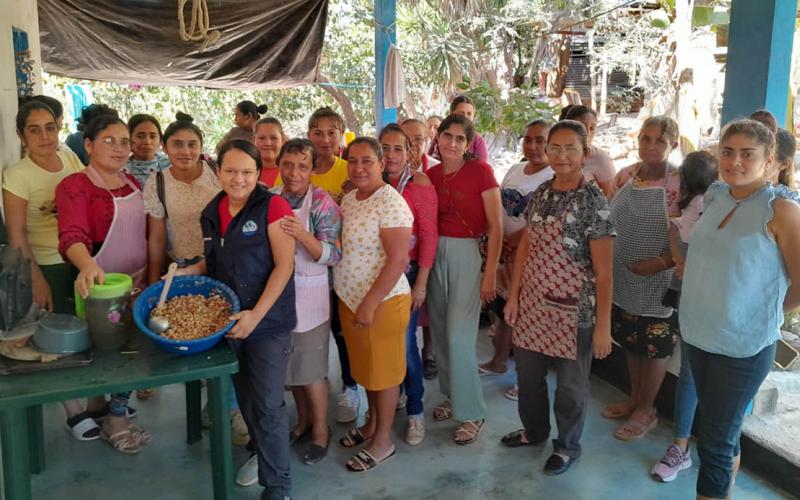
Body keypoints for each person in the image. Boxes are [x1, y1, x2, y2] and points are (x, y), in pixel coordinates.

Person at [680, 119, 800, 499]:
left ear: (769, 161)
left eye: (748, 154)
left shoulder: (781, 210)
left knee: (713, 441)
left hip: (743, 347)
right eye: (728, 152)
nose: (735, 161)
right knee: (723, 433)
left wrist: (761, 312)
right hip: (699, 334)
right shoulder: (717, 194)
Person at [179, 139, 297, 499]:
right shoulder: (212, 211)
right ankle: (261, 456)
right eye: (230, 170)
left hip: (268, 323)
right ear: (218, 171)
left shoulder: (272, 206)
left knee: (267, 405)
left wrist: (255, 316)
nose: (239, 178)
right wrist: (186, 272)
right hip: (230, 318)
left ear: (259, 173)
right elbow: (214, 262)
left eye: (247, 172)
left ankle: (278, 487)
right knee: (247, 401)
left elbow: (284, 266)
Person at [502, 120, 614, 475]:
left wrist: (602, 327)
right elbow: (526, 247)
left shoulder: (594, 202)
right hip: (533, 302)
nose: (561, 156)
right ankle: (534, 431)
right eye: (556, 148)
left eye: (570, 149)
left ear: (585, 153)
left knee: (570, 386)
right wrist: (514, 295)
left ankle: (567, 446)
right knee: (529, 377)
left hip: (574, 309)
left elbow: (605, 273)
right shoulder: (544, 193)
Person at [56, 114, 150, 454]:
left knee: (133, 353)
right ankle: (115, 419)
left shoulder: (132, 184)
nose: (120, 148)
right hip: (100, 288)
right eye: (109, 140)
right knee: (108, 354)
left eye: (125, 141)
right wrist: (86, 265)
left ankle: (107, 409)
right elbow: (72, 235)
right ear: (90, 145)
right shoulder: (75, 186)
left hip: (137, 282)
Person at [2, 100, 96, 440]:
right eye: (34, 129)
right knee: (55, 341)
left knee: (87, 333)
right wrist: (36, 278)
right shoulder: (17, 175)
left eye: (50, 127)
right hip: (46, 265)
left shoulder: (69, 158)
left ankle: (96, 401)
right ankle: (73, 411)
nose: (44, 136)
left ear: (59, 127)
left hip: (80, 259)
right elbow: (17, 236)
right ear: (21, 135)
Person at [334, 137, 413, 471]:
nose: (359, 167)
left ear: (382, 163)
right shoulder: (350, 198)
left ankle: (383, 441)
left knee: (386, 374)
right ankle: (369, 424)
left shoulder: (391, 203)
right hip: (351, 299)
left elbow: (397, 261)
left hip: (381, 302)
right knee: (366, 370)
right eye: (353, 161)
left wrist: (369, 303)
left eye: (367, 161)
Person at [603, 116, 682, 441]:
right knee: (633, 342)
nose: (651, 146)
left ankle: (647, 409)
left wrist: (662, 262)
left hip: (660, 279)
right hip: (626, 274)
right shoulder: (626, 175)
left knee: (656, 346)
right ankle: (635, 398)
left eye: (659, 141)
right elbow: (609, 217)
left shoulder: (681, 183)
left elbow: (688, 236)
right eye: (646, 139)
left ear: (673, 145)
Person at [426, 114, 502, 445]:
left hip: (468, 255)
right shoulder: (429, 175)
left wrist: (490, 275)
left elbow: (497, 226)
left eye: (460, 138)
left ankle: (473, 411)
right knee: (441, 331)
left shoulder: (481, 172)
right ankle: (452, 394)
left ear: (469, 144)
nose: (452, 143)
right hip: (434, 253)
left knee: (459, 336)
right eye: (447, 136)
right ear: (438, 137)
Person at [272, 138, 342, 465]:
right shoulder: (270, 199)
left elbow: (333, 254)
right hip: (278, 297)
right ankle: (301, 422)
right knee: (291, 370)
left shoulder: (323, 204)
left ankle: (320, 432)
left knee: (312, 371)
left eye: (302, 166)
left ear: (313, 169)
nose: (294, 172)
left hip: (311, 297)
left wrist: (302, 234)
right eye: (288, 164)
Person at [651, 151, 718, 483]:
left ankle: (716, 449)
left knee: (714, 380)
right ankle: (681, 445)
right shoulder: (705, 203)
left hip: (720, 304)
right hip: (692, 298)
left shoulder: (763, 208)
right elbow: (679, 246)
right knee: (691, 373)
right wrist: (679, 258)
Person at [478, 120, 554, 401]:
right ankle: (498, 360)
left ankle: (528, 378)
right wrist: (499, 244)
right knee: (504, 310)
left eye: (540, 140)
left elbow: (543, 222)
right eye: (528, 139)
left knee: (528, 317)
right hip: (504, 256)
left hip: (532, 258)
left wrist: (512, 243)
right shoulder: (514, 169)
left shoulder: (553, 177)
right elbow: (497, 207)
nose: (533, 146)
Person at [379, 124, 438, 445]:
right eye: (384, 148)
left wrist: (421, 284)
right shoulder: (369, 184)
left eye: (397, 149)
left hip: (408, 275)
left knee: (404, 345)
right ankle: (397, 391)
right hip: (375, 276)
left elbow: (429, 237)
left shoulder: (418, 186)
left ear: (409, 154)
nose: (390, 155)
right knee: (385, 343)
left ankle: (415, 411)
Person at [305, 106, 360, 423]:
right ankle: (314, 382)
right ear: (308, 135)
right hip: (306, 265)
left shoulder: (350, 170)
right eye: (318, 132)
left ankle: (351, 388)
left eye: (331, 132)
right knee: (311, 328)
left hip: (341, 263)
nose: (325, 139)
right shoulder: (300, 168)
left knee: (340, 330)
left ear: (341, 135)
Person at [144, 112, 221, 282]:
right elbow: (157, 239)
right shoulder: (157, 183)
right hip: (181, 269)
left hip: (222, 263)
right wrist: (153, 282)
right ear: (164, 147)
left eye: (192, 144)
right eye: (177, 144)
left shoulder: (218, 172)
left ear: (201, 147)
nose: (185, 151)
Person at [401, 118, 440, 378]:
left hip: (431, 251)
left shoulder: (433, 172)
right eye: (409, 138)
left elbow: (429, 228)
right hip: (401, 261)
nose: (415, 144)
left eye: (420, 138)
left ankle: (430, 352)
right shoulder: (385, 173)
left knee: (429, 308)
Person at [564, 105, 616, 197]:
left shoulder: (600, 158)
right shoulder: (557, 155)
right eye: (582, 127)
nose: (588, 133)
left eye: (592, 128)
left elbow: (611, 199)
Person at [428, 96, 490, 162]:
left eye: (469, 114)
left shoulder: (478, 141)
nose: (465, 117)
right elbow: (429, 157)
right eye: (461, 113)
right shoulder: (441, 133)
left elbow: (482, 169)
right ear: (451, 114)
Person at [123, 114, 171, 185]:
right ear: (128, 138)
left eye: (152, 136)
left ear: (160, 140)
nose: (147, 142)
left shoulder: (170, 166)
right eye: (140, 136)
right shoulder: (120, 169)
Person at [255, 117, 286, 187]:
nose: (268, 143)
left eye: (274, 138)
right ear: (253, 139)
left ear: (282, 140)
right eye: (262, 138)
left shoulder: (291, 173)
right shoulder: (244, 171)